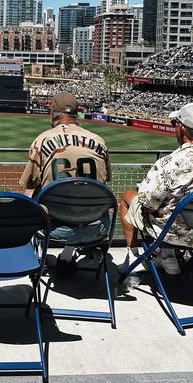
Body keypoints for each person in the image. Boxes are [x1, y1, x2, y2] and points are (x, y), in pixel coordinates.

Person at [19, 92, 112, 278]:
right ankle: (67, 256)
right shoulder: (99, 141)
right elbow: (105, 181)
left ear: (54, 112)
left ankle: (33, 260)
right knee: (82, 196)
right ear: (76, 114)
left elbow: (28, 184)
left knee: (32, 196)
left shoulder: (42, 140)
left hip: (54, 228)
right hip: (97, 227)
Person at [119, 103, 193, 276]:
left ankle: (134, 257)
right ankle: (168, 257)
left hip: (174, 233)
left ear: (182, 128)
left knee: (128, 196)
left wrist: (156, 211)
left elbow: (148, 203)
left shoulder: (170, 162)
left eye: (175, 124)